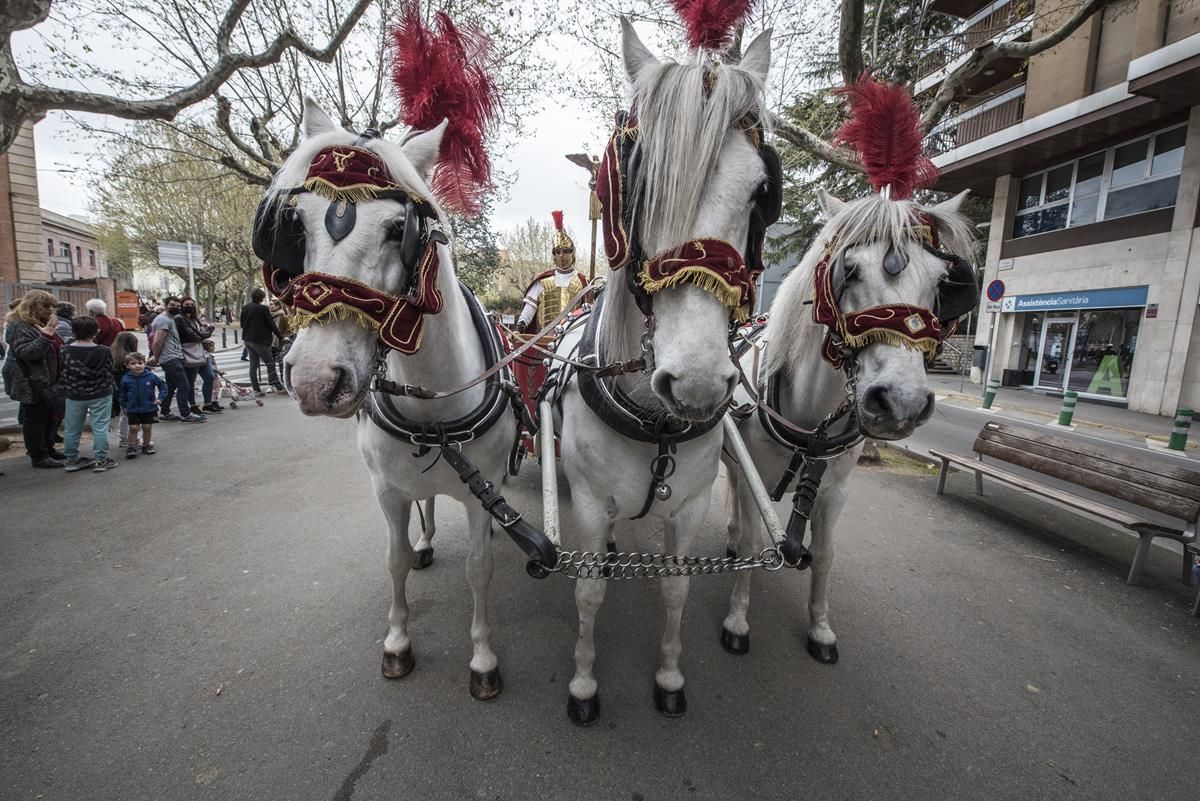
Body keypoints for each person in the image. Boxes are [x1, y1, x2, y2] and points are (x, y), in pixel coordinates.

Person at [2, 290, 66, 468]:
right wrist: (46, 336)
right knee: (35, 417)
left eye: (52, 306)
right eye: (45, 306)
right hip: (30, 380)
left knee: (47, 415)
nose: (50, 309)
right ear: (32, 306)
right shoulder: (19, 326)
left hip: (45, 379)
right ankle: (39, 455)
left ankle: (47, 448)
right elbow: (28, 353)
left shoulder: (40, 323)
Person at [515, 210, 590, 333]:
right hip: (544, 337)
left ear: (573, 253)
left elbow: (588, 312)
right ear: (554, 255)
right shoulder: (543, 281)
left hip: (572, 336)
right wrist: (520, 328)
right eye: (558, 252)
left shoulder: (582, 281)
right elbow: (530, 308)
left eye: (566, 251)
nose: (561, 255)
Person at [59, 316, 117, 472]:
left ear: (74, 332)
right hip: (100, 392)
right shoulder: (104, 351)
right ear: (96, 331)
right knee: (100, 426)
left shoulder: (65, 350)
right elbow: (110, 369)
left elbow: (61, 369)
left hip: (75, 393)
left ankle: (71, 459)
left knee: (72, 427)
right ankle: (100, 459)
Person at [148, 297, 206, 423]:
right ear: (165, 305)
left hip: (175, 356)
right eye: (172, 305)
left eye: (178, 306)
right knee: (184, 385)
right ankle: (185, 414)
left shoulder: (171, 319)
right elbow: (158, 341)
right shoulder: (163, 320)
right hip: (170, 358)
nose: (176, 308)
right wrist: (156, 357)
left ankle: (165, 411)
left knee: (171, 386)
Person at [119, 352, 166, 458]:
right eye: (133, 363)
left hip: (149, 407)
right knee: (133, 428)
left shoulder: (151, 376)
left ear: (144, 363)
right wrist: (124, 406)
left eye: (140, 363)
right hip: (133, 408)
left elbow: (163, 387)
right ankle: (131, 447)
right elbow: (122, 394)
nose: (137, 366)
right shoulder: (126, 379)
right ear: (127, 365)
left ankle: (146, 445)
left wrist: (160, 399)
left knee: (147, 427)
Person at [239, 288, 285, 395]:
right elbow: (271, 324)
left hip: (247, 339)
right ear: (261, 298)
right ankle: (278, 387)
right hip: (261, 340)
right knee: (270, 363)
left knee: (253, 364)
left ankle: (256, 389)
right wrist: (280, 336)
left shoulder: (245, 307)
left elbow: (242, 324)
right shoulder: (263, 309)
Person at [178, 297, 218, 415]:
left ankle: (207, 403)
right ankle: (193, 405)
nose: (190, 306)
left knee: (209, 376)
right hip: (190, 351)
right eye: (187, 304)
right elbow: (196, 336)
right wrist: (208, 331)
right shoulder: (181, 319)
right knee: (191, 381)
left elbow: (200, 334)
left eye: (192, 304)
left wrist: (205, 332)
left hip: (200, 352)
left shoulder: (194, 319)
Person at [110, 331, 140, 448]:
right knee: (132, 417)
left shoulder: (113, 355)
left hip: (117, 390)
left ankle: (124, 438)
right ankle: (131, 439)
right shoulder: (128, 359)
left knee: (124, 415)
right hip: (130, 390)